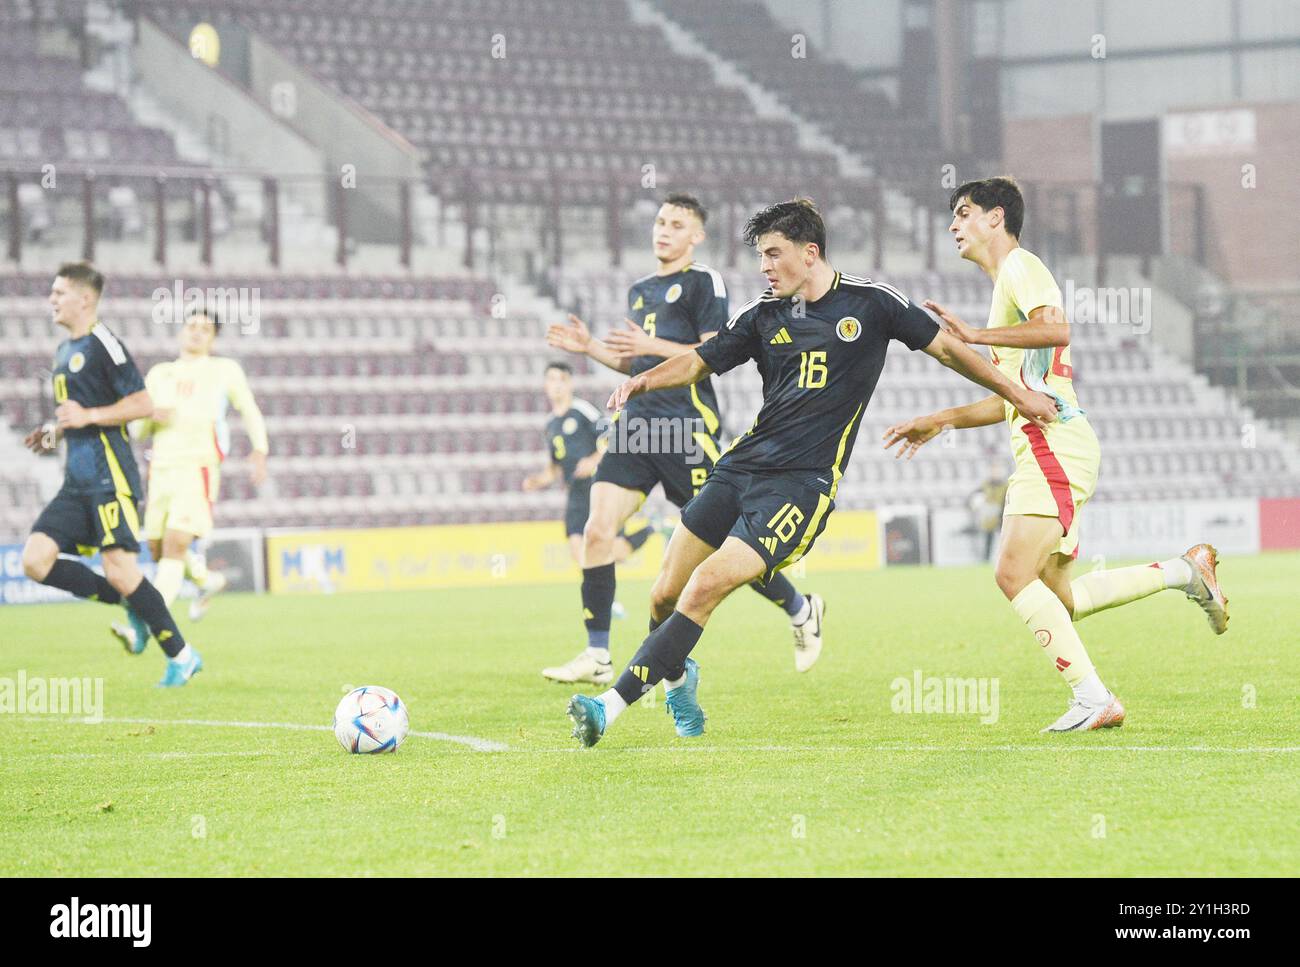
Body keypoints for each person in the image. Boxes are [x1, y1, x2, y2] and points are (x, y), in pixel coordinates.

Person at [565, 198, 1058, 746]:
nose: (764, 267)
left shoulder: (873, 305)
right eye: (761, 257)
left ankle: (606, 709)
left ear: (810, 252)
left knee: (705, 585)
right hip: (739, 469)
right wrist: (643, 380)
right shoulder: (762, 314)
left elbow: (948, 351)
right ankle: (679, 676)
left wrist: (1019, 393)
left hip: (801, 486)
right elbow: (701, 361)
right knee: (662, 595)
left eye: (773, 254)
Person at [883, 176, 1228, 733]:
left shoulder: (1022, 266)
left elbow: (1056, 328)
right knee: (1056, 597)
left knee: (1011, 574)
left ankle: (1094, 699)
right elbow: (1015, 398)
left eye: (964, 212)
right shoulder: (1006, 289)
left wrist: (972, 335)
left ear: (997, 218)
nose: (954, 225)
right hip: (1053, 443)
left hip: (1052, 446)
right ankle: (1184, 571)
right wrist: (942, 418)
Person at [543, 192, 824, 688]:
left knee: (726, 543)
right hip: (635, 429)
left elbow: (716, 349)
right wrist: (589, 347)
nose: (663, 230)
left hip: (685, 430)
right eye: (659, 221)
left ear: (696, 236)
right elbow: (638, 365)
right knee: (596, 530)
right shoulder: (641, 290)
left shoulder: (703, 283)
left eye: (676, 224)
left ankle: (800, 607)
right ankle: (597, 654)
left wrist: (651, 346)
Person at [20, 262, 203, 687]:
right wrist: (55, 432)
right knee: (35, 559)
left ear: (85, 298)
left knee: (121, 569)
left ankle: (183, 655)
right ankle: (131, 604)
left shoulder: (106, 344)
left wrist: (89, 416)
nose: (52, 299)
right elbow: (76, 417)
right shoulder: (65, 352)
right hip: (76, 481)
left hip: (109, 477)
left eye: (59, 292)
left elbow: (141, 402)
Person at [125, 307, 268, 628]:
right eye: (192, 326)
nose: (197, 332)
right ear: (181, 332)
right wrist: (149, 417)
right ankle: (206, 580)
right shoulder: (160, 374)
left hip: (197, 466)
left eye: (205, 329)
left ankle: (149, 620)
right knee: (158, 549)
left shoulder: (224, 370)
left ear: (213, 339)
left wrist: (260, 449)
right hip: (160, 470)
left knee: (176, 543)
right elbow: (136, 432)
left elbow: (249, 408)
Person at [523, 360, 653, 572]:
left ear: (570, 384)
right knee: (578, 553)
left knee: (611, 552)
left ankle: (651, 530)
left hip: (597, 486)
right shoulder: (550, 424)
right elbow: (555, 468)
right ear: (545, 385)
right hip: (575, 493)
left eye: (562, 380)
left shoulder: (581, 410)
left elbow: (613, 435)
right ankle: (607, 605)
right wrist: (537, 481)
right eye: (552, 379)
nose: (557, 385)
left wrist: (593, 460)